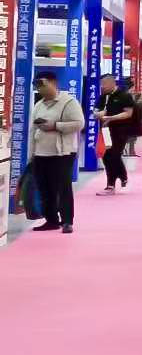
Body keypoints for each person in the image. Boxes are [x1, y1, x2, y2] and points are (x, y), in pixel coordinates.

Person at [29, 71, 83, 235]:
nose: (40, 88)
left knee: (62, 187)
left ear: (53, 83)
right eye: (37, 85)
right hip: (41, 152)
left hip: (62, 153)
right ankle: (51, 220)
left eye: (42, 84)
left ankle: (67, 221)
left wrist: (55, 125)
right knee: (45, 188)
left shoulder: (69, 102)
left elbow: (79, 123)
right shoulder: (39, 105)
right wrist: (31, 153)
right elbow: (33, 130)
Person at [95, 74, 137, 193]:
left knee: (115, 155)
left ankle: (124, 180)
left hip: (121, 130)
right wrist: (98, 114)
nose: (102, 86)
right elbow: (96, 111)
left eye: (104, 84)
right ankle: (110, 184)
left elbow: (128, 113)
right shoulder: (103, 97)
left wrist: (111, 117)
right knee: (106, 156)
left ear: (112, 83)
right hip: (106, 131)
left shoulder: (124, 96)